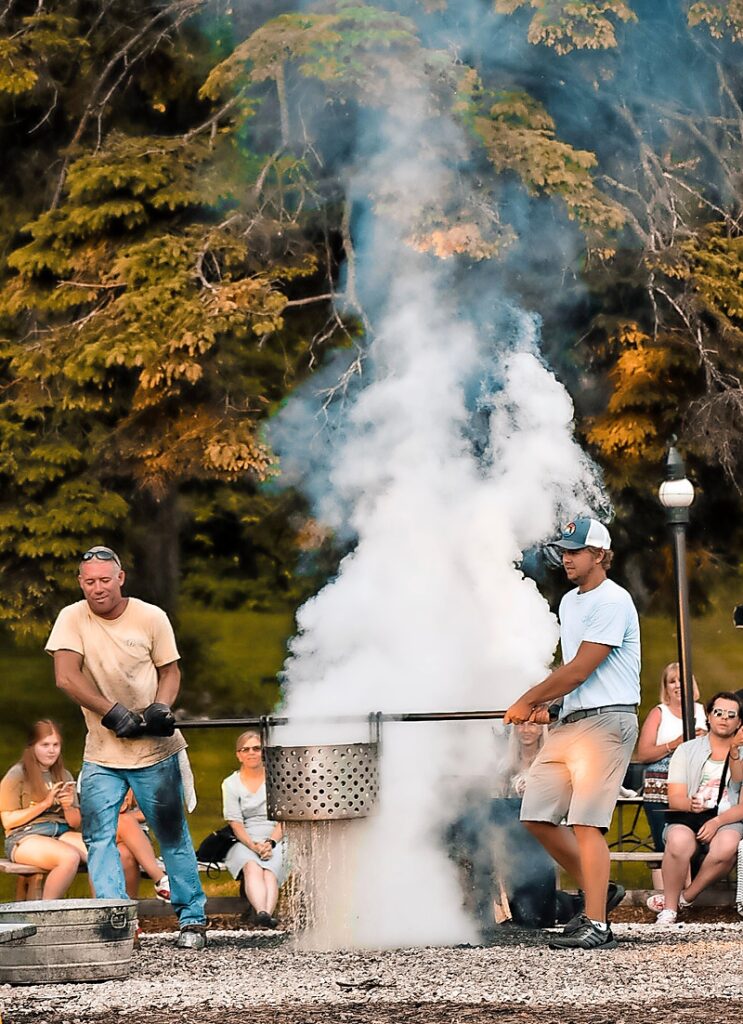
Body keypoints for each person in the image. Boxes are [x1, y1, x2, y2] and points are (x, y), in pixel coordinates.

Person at [46, 545, 207, 949]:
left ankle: (192, 919)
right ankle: (118, 923)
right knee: (99, 838)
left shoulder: (151, 617)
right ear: (80, 583)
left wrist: (160, 707)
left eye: (104, 580)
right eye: (89, 582)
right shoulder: (72, 617)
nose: (97, 589)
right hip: (102, 752)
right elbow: (66, 677)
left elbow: (169, 672)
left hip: (156, 750)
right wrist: (110, 712)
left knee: (172, 836)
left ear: (120, 578)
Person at [504, 517, 640, 951]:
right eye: (564, 550)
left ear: (599, 555)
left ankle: (597, 924)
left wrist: (528, 699)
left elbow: (582, 667)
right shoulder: (569, 603)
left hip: (609, 722)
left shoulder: (613, 600)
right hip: (574, 722)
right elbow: (575, 678)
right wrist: (553, 705)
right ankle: (601, 890)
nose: (566, 558)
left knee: (585, 822)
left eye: (575, 551)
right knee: (536, 813)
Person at [647, 691, 743, 925]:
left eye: (731, 715)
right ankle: (669, 909)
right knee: (679, 840)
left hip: (727, 819)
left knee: (728, 845)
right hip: (690, 817)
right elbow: (675, 799)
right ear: (708, 716)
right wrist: (691, 804)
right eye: (718, 712)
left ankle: (686, 897)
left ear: (739, 722)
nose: (724, 718)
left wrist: (717, 822)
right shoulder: (687, 750)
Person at [0, 720, 87, 898]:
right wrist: (45, 804)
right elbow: (8, 821)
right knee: (69, 857)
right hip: (24, 836)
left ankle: (103, 912)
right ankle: (47, 915)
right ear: (32, 746)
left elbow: (75, 823)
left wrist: (68, 805)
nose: (51, 750)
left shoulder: (64, 774)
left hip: (60, 832)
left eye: (56, 745)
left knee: (100, 852)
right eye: (45, 745)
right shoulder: (17, 775)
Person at [636, 663, 707, 851]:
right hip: (661, 787)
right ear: (666, 687)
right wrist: (674, 744)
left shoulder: (703, 712)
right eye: (672, 681)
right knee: (665, 846)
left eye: (682, 680)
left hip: (696, 786)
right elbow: (643, 754)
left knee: (696, 843)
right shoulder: (659, 713)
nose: (678, 685)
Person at [222, 730, 286, 928]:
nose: (251, 753)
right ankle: (263, 913)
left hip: (276, 835)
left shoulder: (278, 778)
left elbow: (285, 818)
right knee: (252, 866)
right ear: (239, 755)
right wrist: (253, 845)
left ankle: (265, 915)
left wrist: (270, 843)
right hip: (245, 837)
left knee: (270, 870)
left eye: (256, 748)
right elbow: (235, 822)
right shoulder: (230, 783)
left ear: (263, 752)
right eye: (246, 749)